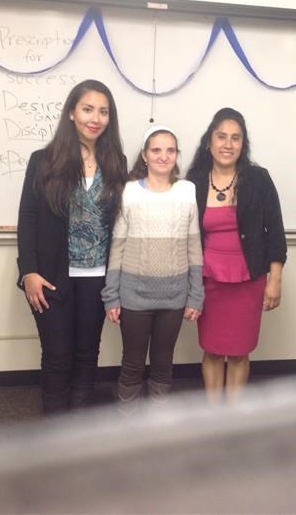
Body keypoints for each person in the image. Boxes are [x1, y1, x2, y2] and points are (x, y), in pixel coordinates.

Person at [17, 79, 127, 414]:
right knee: (57, 354)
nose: (96, 118)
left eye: (104, 111)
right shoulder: (43, 160)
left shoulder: (116, 162)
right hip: (51, 277)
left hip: (98, 277)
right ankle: (54, 429)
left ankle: (76, 427)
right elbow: (28, 218)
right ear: (71, 113)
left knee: (86, 352)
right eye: (88, 109)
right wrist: (29, 272)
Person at [186, 108, 287, 403]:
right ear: (209, 142)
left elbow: (276, 233)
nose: (228, 144)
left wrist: (275, 279)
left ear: (243, 144)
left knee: (240, 351)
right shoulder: (193, 182)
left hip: (248, 280)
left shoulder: (258, 179)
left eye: (236, 138)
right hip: (208, 281)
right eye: (221, 137)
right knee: (213, 349)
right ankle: (214, 412)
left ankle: (234, 414)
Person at [102, 126, 204, 413]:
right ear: (145, 155)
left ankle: (158, 419)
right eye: (156, 150)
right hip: (134, 297)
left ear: (177, 155)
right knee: (132, 362)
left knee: (163, 361)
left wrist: (196, 296)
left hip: (174, 298)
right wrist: (111, 296)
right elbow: (117, 247)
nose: (163, 156)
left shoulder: (187, 190)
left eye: (170, 150)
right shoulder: (129, 192)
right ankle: (128, 417)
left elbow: (194, 247)